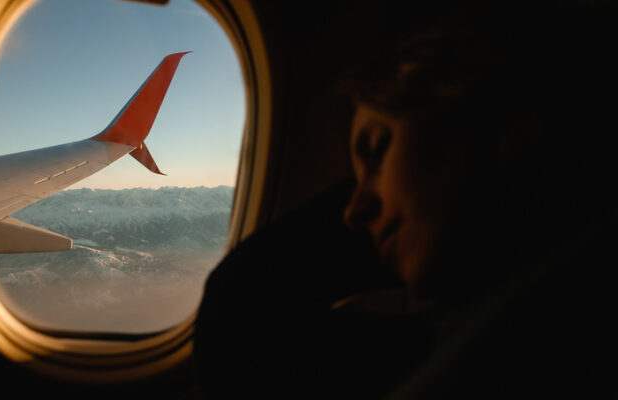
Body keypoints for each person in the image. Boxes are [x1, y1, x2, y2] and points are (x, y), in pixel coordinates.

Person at [195, 1, 618, 398]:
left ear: (509, 122)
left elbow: (234, 316)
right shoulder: (521, 334)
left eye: (377, 150)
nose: (353, 213)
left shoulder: (526, 347)